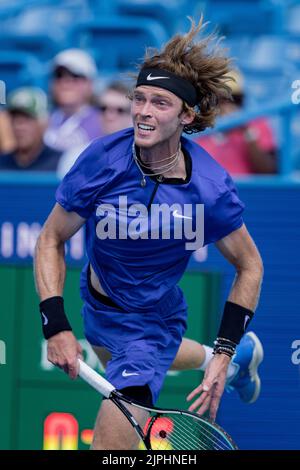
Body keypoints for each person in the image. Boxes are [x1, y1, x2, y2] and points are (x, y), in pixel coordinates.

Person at [34, 18, 264, 450]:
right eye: (139, 98)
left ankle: (230, 361)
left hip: (150, 325)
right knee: (145, 353)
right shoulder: (102, 160)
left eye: (160, 102)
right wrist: (56, 325)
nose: (142, 110)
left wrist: (224, 350)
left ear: (186, 115)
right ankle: (242, 364)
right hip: (98, 305)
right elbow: (50, 238)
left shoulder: (210, 189)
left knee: (111, 447)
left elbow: (250, 265)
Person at [196, 70, 277, 175]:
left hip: (247, 190)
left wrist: (248, 133)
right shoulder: (199, 126)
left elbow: (268, 171)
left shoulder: (258, 124)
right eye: (221, 100)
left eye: (235, 99)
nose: (228, 105)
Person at [56, 80, 132, 178]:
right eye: (103, 108)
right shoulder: (76, 157)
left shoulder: (144, 161)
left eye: (119, 110)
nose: (109, 116)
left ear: (132, 115)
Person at [44, 49, 102, 153]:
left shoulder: (104, 121)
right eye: (59, 75)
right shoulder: (43, 119)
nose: (65, 83)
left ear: (90, 84)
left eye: (75, 76)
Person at [0, 87, 61, 171]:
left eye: (27, 119)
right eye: (14, 119)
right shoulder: (2, 163)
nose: (19, 127)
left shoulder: (60, 163)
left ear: (44, 123)